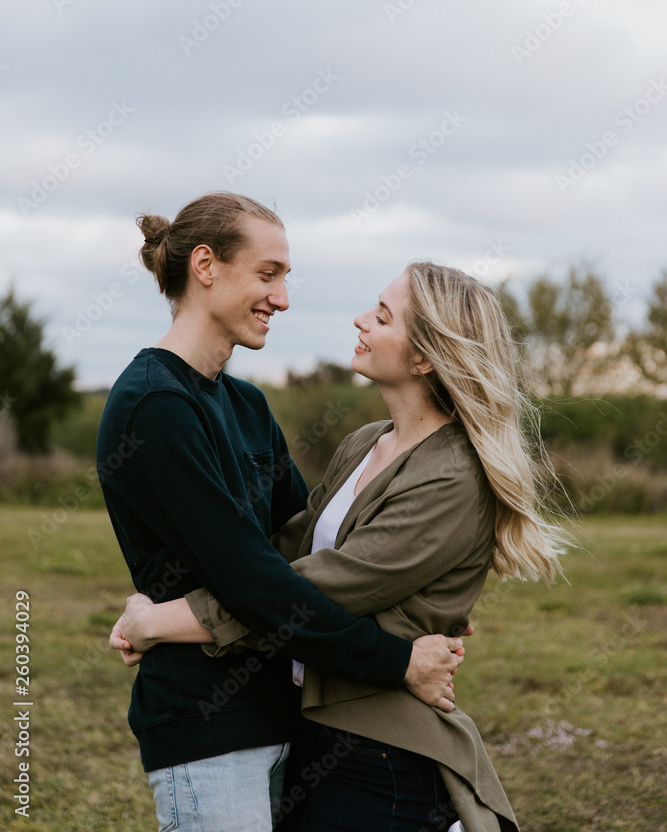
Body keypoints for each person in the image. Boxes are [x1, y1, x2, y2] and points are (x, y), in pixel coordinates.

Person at [112, 258, 569, 831]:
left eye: (381, 316)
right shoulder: (365, 443)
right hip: (313, 731)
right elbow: (280, 557)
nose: (360, 321)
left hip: (380, 753)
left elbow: (306, 591)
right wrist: (158, 603)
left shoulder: (455, 479)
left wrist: (163, 623)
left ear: (425, 357)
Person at [97, 191, 466, 832]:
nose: (284, 298)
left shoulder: (246, 406)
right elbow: (256, 585)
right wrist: (398, 662)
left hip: (290, 716)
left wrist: (424, 598)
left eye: (286, 278)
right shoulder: (154, 406)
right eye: (268, 275)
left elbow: (311, 555)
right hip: (209, 730)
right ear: (206, 266)